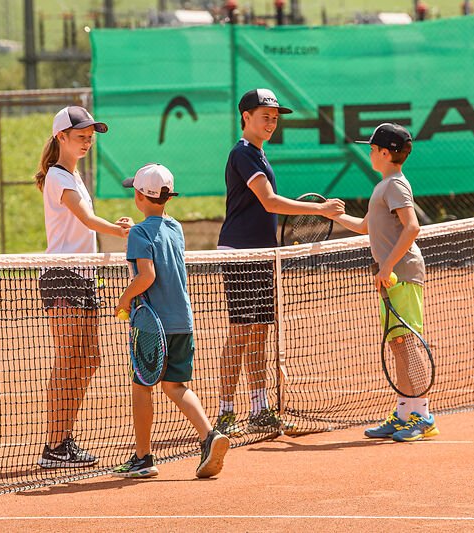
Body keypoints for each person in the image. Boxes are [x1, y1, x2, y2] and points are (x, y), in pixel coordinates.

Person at [214, 88, 345, 436]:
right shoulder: (242, 154)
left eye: (274, 118)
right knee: (240, 332)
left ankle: (259, 409)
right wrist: (319, 209)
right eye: (265, 117)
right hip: (241, 253)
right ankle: (225, 413)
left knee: (260, 331)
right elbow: (269, 202)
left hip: (264, 253)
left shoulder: (259, 154)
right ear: (246, 117)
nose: (271, 122)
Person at [112, 163, 229, 478]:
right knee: (175, 385)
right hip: (182, 322)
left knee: (142, 387)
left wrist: (124, 299)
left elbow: (146, 275)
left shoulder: (139, 233)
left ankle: (143, 457)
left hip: (153, 327)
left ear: (139, 196)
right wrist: (134, 230)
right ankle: (209, 435)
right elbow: (155, 237)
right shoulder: (175, 227)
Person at [35, 106, 133, 468]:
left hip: (85, 276)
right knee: (68, 361)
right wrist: (124, 231)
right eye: (81, 136)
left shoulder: (74, 177)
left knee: (89, 359)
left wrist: (119, 227)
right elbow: (88, 220)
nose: (87, 141)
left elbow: (87, 223)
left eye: (90, 137)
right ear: (61, 137)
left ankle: (64, 440)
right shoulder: (57, 176)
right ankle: (55, 445)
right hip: (62, 275)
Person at [329, 123, 439, 442]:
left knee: (407, 343)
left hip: (401, 273)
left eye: (373, 148)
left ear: (386, 154)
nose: (370, 153)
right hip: (391, 276)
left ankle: (423, 416)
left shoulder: (395, 186)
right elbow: (365, 226)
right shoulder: (384, 186)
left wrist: (387, 265)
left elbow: (412, 227)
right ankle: (404, 413)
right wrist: (331, 215)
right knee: (398, 343)